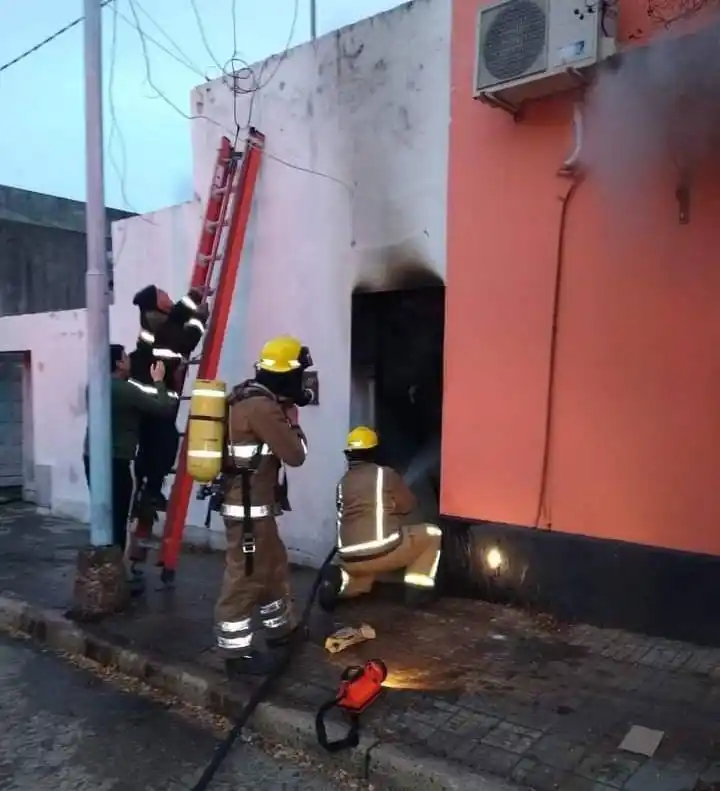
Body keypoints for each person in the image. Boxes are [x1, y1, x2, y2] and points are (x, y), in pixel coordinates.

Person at [215, 335, 313, 677]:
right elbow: (296, 456)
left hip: (256, 508)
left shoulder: (246, 396)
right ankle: (236, 654)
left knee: (272, 567)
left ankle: (281, 631)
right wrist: (294, 420)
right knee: (245, 576)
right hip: (247, 511)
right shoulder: (262, 407)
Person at [318, 426, 443, 612]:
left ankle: (337, 583)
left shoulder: (343, 483)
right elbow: (409, 505)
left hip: (349, 557)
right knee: (432, 534)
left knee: (363, 583)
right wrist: (393, 508)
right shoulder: (385, 474)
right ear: (374, 452)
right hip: (382, 552)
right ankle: (418, 593)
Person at [82, 345, 176, 553]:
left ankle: (104, 562)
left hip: (92, 458)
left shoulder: (95, 386)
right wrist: (159, 380)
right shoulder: (124, 390)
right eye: (125, 357)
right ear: (118, 363)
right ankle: (113, 569)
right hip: (116, 461)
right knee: (118, 514)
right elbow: (164, 409)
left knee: (104, 513)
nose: (129, 360)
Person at [129, 284, 209, 512]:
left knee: (151, 445)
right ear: (157, 302)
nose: (168, 295)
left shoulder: (156, 318)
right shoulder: (158, 326)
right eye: (163, 294)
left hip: (152, 394)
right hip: (153, 396)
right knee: (163, 443)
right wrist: (200, 319)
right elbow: (185, 341)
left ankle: (146, 493)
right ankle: (150, 492)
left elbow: (175, 316)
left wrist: (194, 295)